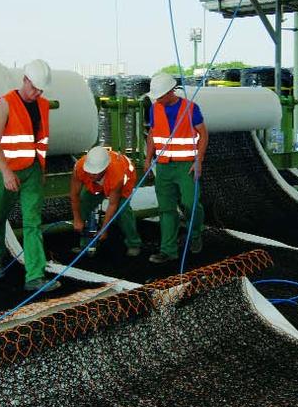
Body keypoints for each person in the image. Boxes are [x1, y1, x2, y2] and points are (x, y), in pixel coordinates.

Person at [0, 59, 59, 292]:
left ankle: (35, 276)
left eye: (40, 89)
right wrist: (6, 171)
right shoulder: (5, 103)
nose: (36, 93)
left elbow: (38, 141)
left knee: (33, 223)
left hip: (32, 172)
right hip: (7, 171)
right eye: (33, 87)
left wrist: (41, 171)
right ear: (24, 79)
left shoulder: (44, 105)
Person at [143, 72, 208, 264]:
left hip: (186, 165)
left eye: (161, 96)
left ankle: (195, 233)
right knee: (165, 209)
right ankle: (168, 250)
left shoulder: (191, 108)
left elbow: (203, 134)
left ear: (171, 91)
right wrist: (148, 158)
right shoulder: (155, 109)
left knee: (190, 203)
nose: (159, 100)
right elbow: (152, 134)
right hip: (163, 167)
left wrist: (199, 160)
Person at [69, 146, 143, 257]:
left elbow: (113, 204)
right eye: (89, 172)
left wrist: (104, 229)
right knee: (84, 204)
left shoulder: (116, 173)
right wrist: (77, 219)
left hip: (124, 180)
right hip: (98, 185)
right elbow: (74, 195)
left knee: (122, 210)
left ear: (104, 169)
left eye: (95, 173)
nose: (91, 175)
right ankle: (86, 245)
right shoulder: (79, 167)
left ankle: (134, 243)